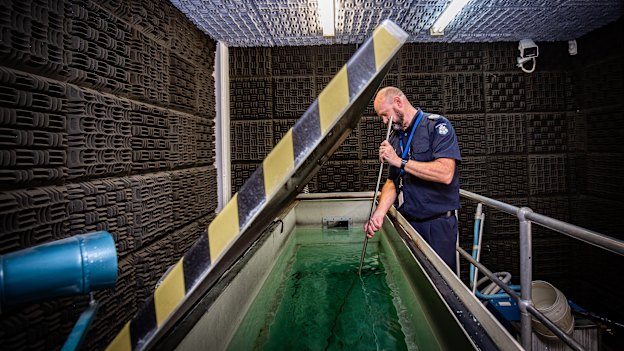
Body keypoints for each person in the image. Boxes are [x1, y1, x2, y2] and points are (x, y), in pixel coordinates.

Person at [363, 87, 462, 271]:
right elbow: (392, 181)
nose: (385, 121)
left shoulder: (437, 126)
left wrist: (399, 161)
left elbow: (445, 173)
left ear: (399, 103)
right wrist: (379, 213)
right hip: (408, 223)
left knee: (440, 284)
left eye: (386, 115)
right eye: (382, 118)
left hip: (437, 226)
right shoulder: (395, 138)